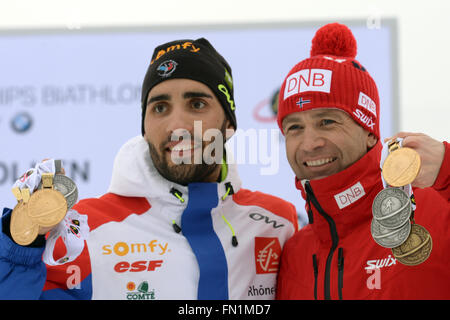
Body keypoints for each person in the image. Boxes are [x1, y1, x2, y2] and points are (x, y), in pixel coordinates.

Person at [0, 38, 298, 300]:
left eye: (196, 104)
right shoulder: (84, 231)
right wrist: (18, 250)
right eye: (159, 107)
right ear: (144, 128)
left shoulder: (278, 222)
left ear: (229, 123)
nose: (178, 125)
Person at [275, 23, 449, 300]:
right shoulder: (294, 253)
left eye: (327, 121)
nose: (310, 143)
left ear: (369, 132)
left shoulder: (438, 211)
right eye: (294, 127)